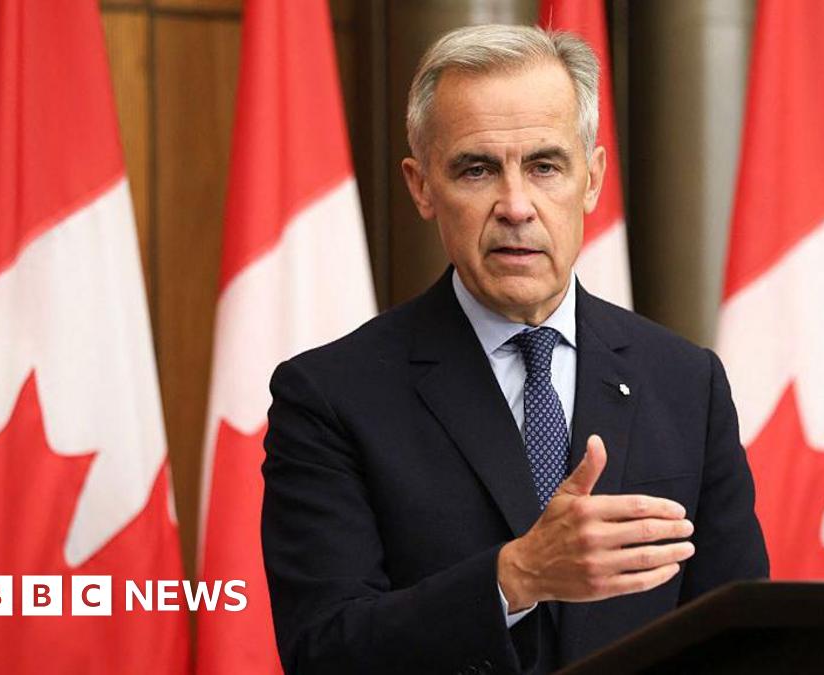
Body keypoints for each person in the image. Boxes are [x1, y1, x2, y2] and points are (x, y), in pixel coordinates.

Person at [261, 24, 768, 675]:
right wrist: (514, 576)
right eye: (476, 169)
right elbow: (323, 647)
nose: (516, 205)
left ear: (592, 178)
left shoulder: (685, 382)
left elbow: (745, 634)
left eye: (545, 165)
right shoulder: (330, 395)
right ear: (421, 187)